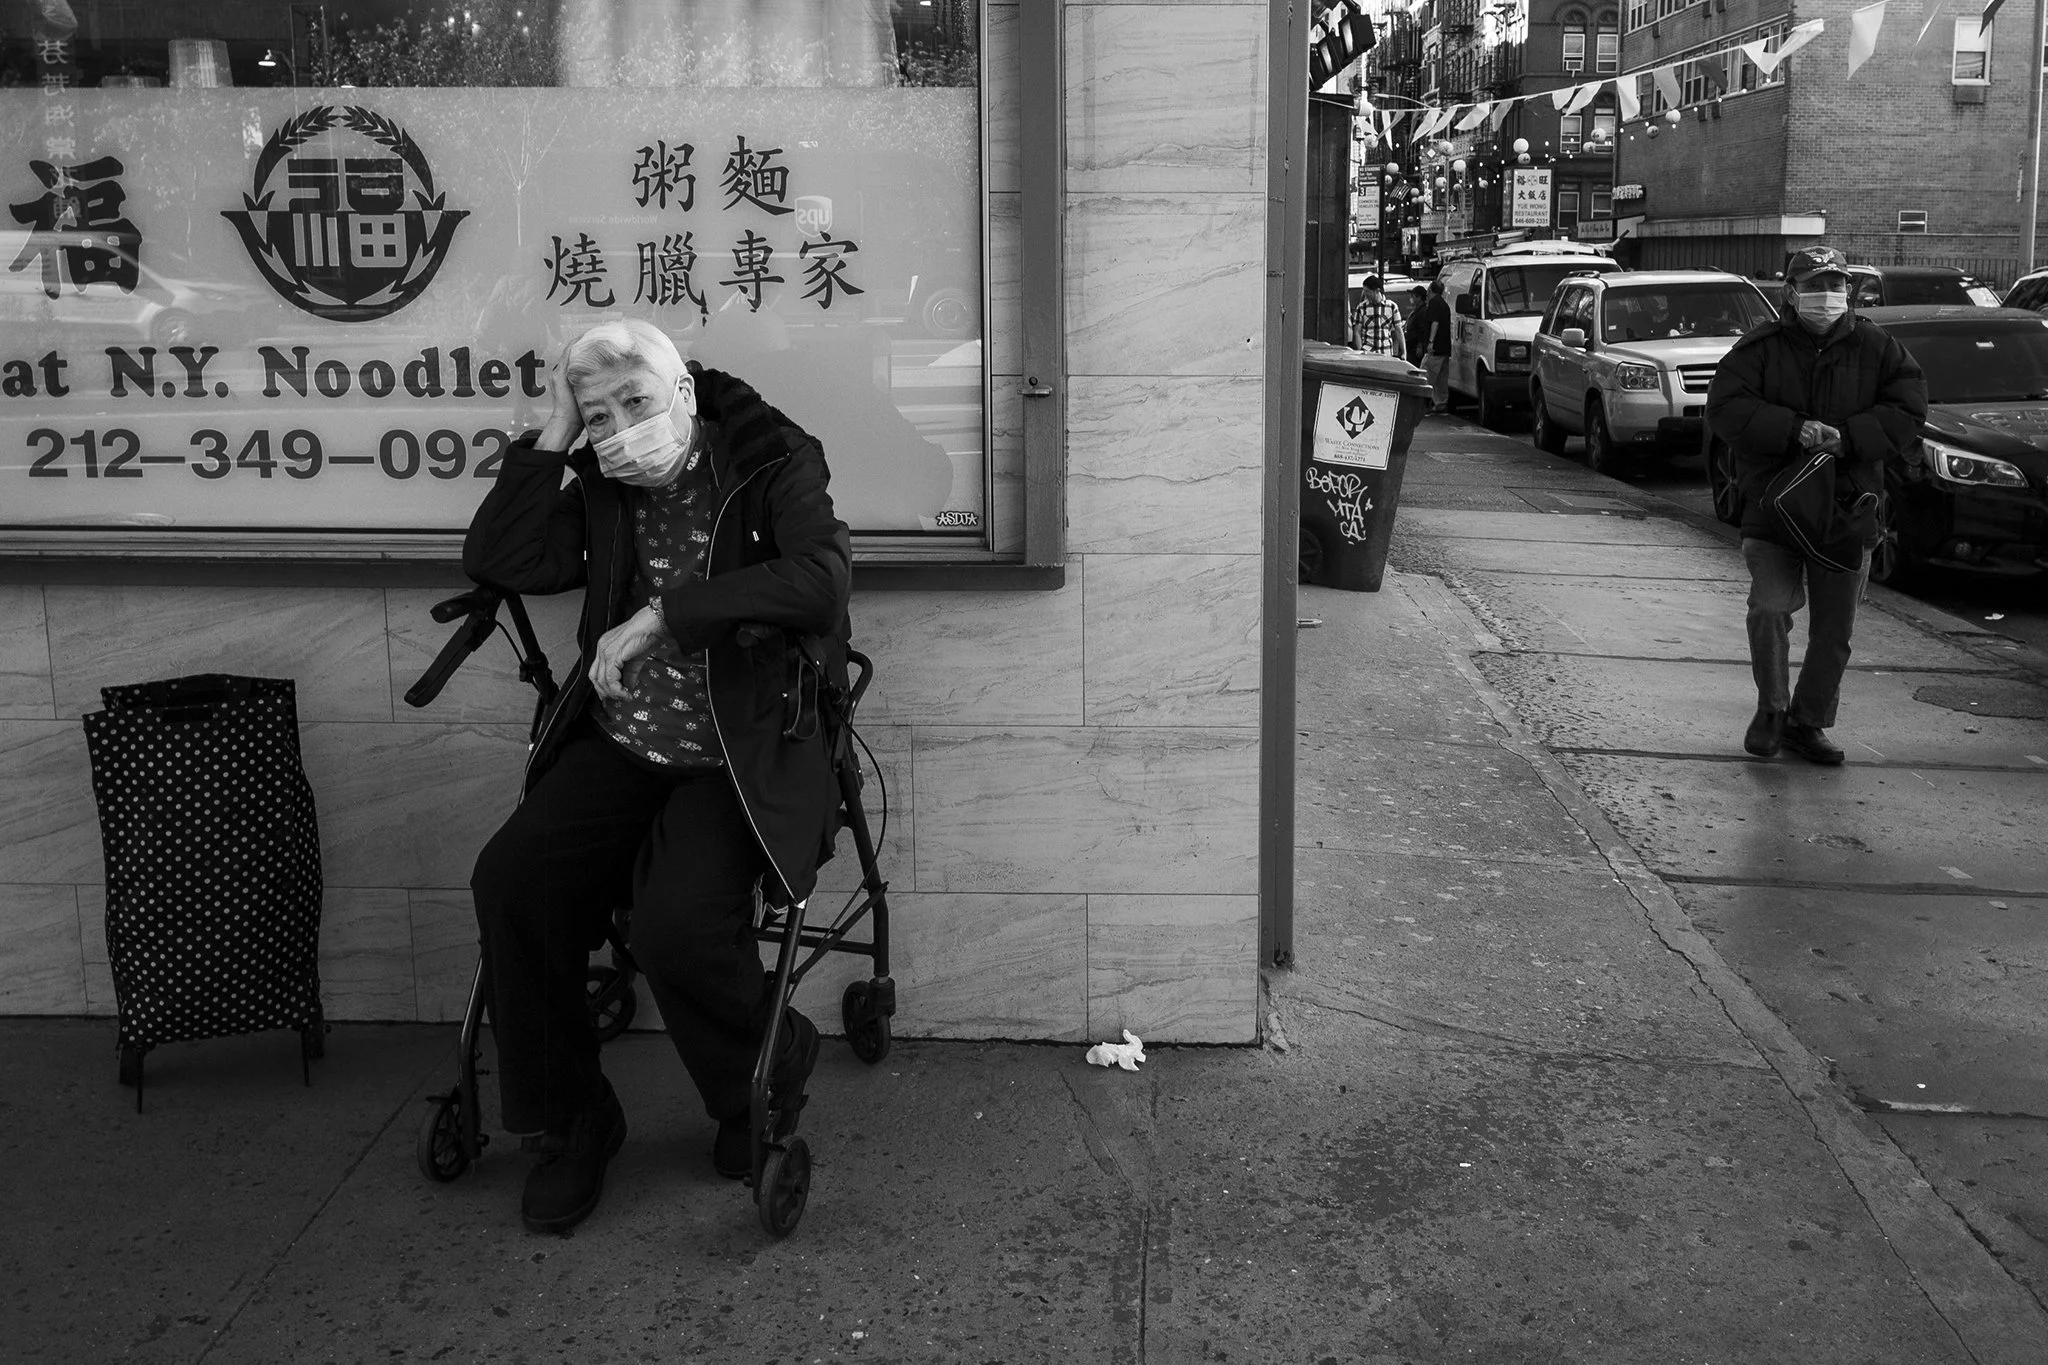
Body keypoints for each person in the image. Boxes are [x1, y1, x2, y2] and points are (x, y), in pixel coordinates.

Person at [462, 317, 851, 1234]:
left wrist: (664, 617)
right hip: (627, 741)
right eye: (600, 416)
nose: (620, 427)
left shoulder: (769, 459)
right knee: (513, 880)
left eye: (635, 402)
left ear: (682, 391)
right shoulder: (601, 479)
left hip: (739, 749)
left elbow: (821, 581)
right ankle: (575, 1115)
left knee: (674, 923)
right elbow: (503, 558)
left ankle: (757, 1072)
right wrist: (555, 436)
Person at [1705, 245, 1926, 765]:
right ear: (1790, 292)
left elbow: (1908, 408)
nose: (1827, 297)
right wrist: (1793, 428)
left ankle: (1809, 721)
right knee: (1770, 609)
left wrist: (1848, 438)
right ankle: (1772, 709)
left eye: (1835, 286)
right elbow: (1726, 408)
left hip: (1848, 508)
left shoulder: (1878, 347)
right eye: (1814, 286)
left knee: (1835, 630)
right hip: (1775, 505)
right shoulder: (1759, 348)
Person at [1415, 279, 1453, 411]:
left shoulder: (1434, 303)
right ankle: (1441, 403)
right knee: (1441, 379)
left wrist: (1431, 342)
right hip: (1444, 347)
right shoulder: (1444, 304)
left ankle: (1420, 403)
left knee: (1425, 374)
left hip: (1435, 348)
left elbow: (1435, 323)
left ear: (1430, 290)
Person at [1349, 274, 1405, 358]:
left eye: (1368, 291)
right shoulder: (1361, 307)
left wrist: (1404, 352)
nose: (1366, 294)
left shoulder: (1392, 306)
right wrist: (1360, 350)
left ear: (1377, 291)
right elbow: (1357, 331)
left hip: (1386, 352)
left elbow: (1398, 330)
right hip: (1368, 351)